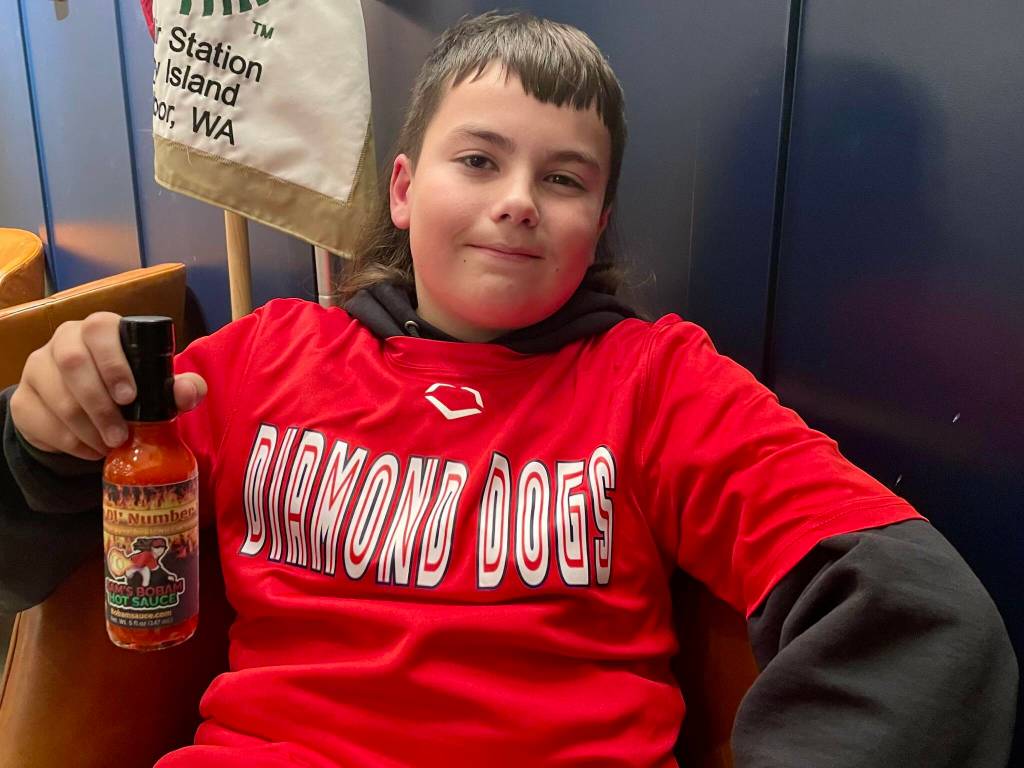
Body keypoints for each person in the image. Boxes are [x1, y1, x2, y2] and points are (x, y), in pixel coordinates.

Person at [0, 11, 1016, 768]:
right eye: (479, 160)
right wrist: (41, 438)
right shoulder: (262, 360)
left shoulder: (657, 382)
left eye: (564, 179)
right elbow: (25, 548)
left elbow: (918, 612)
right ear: (404, 190)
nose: (519, 202)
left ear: (597, 221)